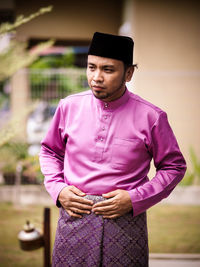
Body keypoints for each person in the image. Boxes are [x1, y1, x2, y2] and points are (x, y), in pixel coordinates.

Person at [39, 32, 186, 267]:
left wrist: (135, 198)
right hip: (74, 222)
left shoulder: (152, 117)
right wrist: (58, 190)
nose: (96, 77)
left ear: (128, 73)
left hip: (125, 226)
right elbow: (50, 151)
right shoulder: (68, 107)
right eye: (91, 67)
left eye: (108, 70)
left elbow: (174, 167)